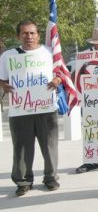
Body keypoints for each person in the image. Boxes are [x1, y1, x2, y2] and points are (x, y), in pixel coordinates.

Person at [0, 20, 63, 196]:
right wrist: (4, 85)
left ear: (38, 35)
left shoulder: (50, 53)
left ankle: (51, 179)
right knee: (21, 147)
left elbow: (61, 74)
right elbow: (2, 78)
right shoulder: (9, 56)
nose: (29, 37)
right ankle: (23, 182)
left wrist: (57, 81)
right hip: (21, 109)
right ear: (18, 36)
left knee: (49, 146)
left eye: (32, 33)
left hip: (46, 108)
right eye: (25, 33)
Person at [75, 26, 98, 174]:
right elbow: (77, 77)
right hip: (90, 100)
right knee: (91, 130)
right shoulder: (82, 57)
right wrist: (77, 96)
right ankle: (91, 160)